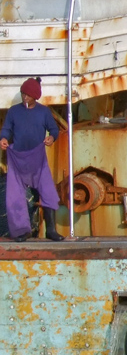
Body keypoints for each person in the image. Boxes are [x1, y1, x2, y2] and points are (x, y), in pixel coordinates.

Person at [1, 78, 63, 242]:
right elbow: (6, 129)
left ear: (35, 96)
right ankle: (22, 231)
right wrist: (3, 138)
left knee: (48, 191)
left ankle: (50, 230)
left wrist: (52, 138)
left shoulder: (43, 112)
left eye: (28, 95)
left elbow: (53, 129)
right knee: (15, 195)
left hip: (37, 157)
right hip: (17, 158)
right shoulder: (14, 111)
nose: (24, 98)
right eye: (23, 94)